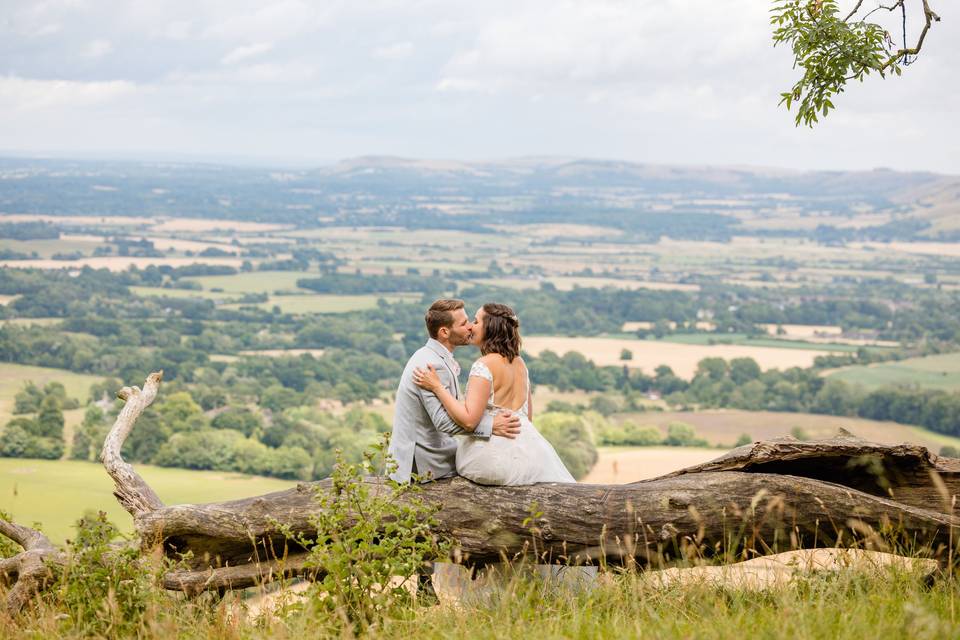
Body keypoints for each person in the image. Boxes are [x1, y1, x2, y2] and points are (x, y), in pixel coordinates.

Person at [412, 302, 574, 485]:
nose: (471, 326)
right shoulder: (520, 364)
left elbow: (468, 420)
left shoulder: (484, 365)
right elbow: (526, 418)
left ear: (490, 328)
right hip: (530, 458)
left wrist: (437, 387)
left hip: (488, 460)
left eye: (476, 321)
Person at [388, 298, 522, 484]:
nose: (470, 327)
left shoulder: (433, 356)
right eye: (464, 323)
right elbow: (443, 422)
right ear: (444, 332)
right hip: (423, 463)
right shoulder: (431, 365)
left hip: (433, 454)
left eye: (470, 321)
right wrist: (491, 426)